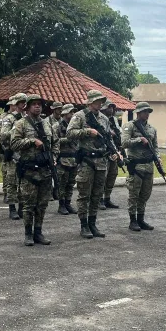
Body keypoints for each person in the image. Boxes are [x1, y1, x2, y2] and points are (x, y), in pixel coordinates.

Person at [66, 89, 119, 238]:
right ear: (90, 102)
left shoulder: (104, 118)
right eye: (97, 101)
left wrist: (114, 151)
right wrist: (87, 132)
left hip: (101, 161)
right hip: (87, 161)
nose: (100, 104)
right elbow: (70, 133)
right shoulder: (80, 116)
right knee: (84, 195)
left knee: (97, 194)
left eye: (101, 101)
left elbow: (108, 138)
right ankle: (84, 225)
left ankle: (93, 223)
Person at [11, 94, 59, 246]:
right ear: (28, 107)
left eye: (39, 104)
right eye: (34, 104)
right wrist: (31, 141)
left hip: (45, 169)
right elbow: (14, 144)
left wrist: (55, 156)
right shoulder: (21, 124)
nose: (37, 106)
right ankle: (28, 234)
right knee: (28, 205)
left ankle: (38, 232)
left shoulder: (46, 124)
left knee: (42, 204)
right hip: (29, 170)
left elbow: (55, 142)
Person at [122, 102, 160, 232]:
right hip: (136, 166)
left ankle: (141, 219)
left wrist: (158, 158)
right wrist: (139, 140)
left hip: (148, 166)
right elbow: (124, 143)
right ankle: (133, 220)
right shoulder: (130, 126)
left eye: (148, 112)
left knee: (145, 194)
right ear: (138, 112)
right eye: (144, 112)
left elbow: (155, 147)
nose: (147, 114)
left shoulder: (152, 129)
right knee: (134, 194)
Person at [0, 93, 27, 219]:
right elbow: (3, 135)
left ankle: (22, 207)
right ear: (16, 104)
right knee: (11, 182)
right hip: (12, 154)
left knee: (23, 181)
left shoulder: (27, 118)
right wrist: (16, 129)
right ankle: (12, 208)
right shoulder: (9, 118)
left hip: (24, 154)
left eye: (25, 103)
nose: (23, 105)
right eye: (21, 102)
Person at [56, 104, 78, 215]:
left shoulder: (74, 127)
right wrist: (67, 140)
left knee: (71, 183)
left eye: (74, 112)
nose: (73, 114)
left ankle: (68, 203)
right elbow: (54, 141)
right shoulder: (57, 126)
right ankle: (61, 205)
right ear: (64, 113)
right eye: (71, 112)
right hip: (62, 160)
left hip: (74, 159)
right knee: (62, 183)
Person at [100, 100, 121, 209]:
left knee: (112, 175)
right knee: (103, 177)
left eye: (112, 107)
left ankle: (107, 198)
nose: (111, 110)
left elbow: (118, 134)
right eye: (109, 107)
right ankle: (99, 199)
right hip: (104, 152)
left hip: (114, 150)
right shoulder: (99, 119)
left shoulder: (114, 120)